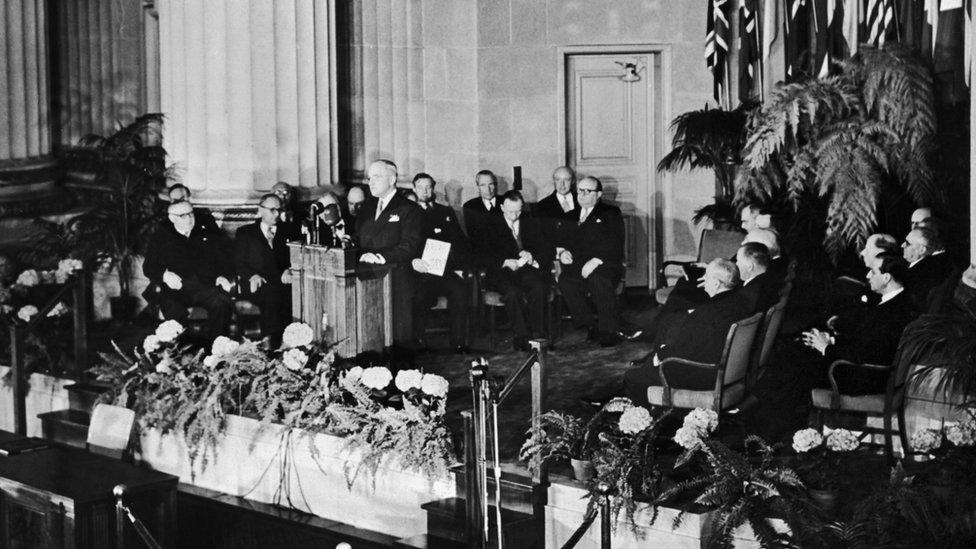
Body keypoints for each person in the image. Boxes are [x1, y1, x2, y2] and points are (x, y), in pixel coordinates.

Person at [622, 259, 752, 406]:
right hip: (730, 373)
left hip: (705, 375)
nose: (703, 281)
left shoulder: (706, 313)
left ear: (716, 284)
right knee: (650, 363)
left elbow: (685, 350)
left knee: (633, 377)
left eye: (706, 277)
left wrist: (661, 354)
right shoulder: (742, 303)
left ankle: (649, 422)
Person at [801, 254, 915, 394]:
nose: (868, 275)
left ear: (886, 277)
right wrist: (830, 339)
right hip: (867, 370)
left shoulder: (892, 312)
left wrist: (825, 347)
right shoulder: (896, 302)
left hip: (865, 378)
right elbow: (865, 341)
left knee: (800, 361)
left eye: (873, 271)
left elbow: (862, 354)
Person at [143, 201, 234, 340]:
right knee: (172, 308)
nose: (190, 219)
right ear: (172, 218)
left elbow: (225, 259)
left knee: (222, 302)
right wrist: (164, 275)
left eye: (191, 214)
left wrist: (223, 276)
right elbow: (149, 266)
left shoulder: (207, 233)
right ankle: (182, 353)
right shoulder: (161, 237)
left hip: (206, 285)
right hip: (177, 288)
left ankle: (216, 352)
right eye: (183, 216)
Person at [556, 176, 625, 346]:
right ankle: (589, 325)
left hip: (605, 265)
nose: (582, 195)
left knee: (599, 279)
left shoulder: (610, 213)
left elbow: (616, 243)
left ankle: (609, 331)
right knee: (565, 281)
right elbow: (562, 242)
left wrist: (596, 260)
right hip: (578, 267)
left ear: (599, 194)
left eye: (588, 191)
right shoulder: (570, 216)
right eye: (580, 191)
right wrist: (562, 252)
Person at [409, 173, 471, 353]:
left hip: (444, 269)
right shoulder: (410, 213)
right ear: (414, 189)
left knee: (460, 289)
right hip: (421, 271)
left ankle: (458, 341)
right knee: (419, 295)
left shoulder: (445, 212)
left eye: (428, 187)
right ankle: (420, 341)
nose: (425, 191)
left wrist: (459, 266)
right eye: (420, 188)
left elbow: (460, 241)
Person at [486, 191, 552, 351]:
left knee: (539, 287)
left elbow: (545, 248)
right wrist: (504, 261)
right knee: (512, 293)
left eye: (518, 210)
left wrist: (532, 255)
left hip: (527, 270)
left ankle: (538, 335)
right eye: (510, 211)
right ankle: (521, 336)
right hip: (502, 273)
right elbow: (483, 253)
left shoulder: (531, 221)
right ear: (502, 207)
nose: (515, 215)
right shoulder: (490, 224)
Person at [234, 194, 301, 345]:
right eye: (272, 210)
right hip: (255, 284)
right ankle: (270, 344)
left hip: (282, 282)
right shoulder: (245, 233)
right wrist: (252, 276)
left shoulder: (289, 231)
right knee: (271, 296)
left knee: (289, 296)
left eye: (279, 210)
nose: (276, 214)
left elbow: (297, 257)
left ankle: (291, 344)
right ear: (260, 210)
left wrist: (289, 269)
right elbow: (239, 262)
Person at [355, 160, 423, 265]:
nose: (370, 183)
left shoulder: (410, 208)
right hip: (364, 269)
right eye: (369, 178)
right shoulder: (367, 205)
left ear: (391, 180)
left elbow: (409, 245)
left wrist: (381, 258)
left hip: (393, 272)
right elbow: (359, 236)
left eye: (376, 177)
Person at [902, 227, 955, 310]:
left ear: (922, 250)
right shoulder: (927, 267)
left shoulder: (917, 274)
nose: (902, 245)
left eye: (907, 243)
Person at [463, 170, 502, 266]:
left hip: (506, 252)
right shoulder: (469, 206)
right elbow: (473, 237)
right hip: (483, 257)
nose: (488, 189)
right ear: (478, 187)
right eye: (483, 185)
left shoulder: (506, 201)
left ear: (495, 185)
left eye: (491, 184)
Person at [535, 166, 578, 244]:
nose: (562, 184)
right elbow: (542, 237)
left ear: (573, 181)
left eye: (567, 179)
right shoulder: (543, 205)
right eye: (558, 180)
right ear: (554, 181)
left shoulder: (582, 200)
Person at [735, 242, 779, 314]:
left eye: (738, 261)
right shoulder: (771, 277)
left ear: (750, 267)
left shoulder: (748, 294)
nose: (736, 264)